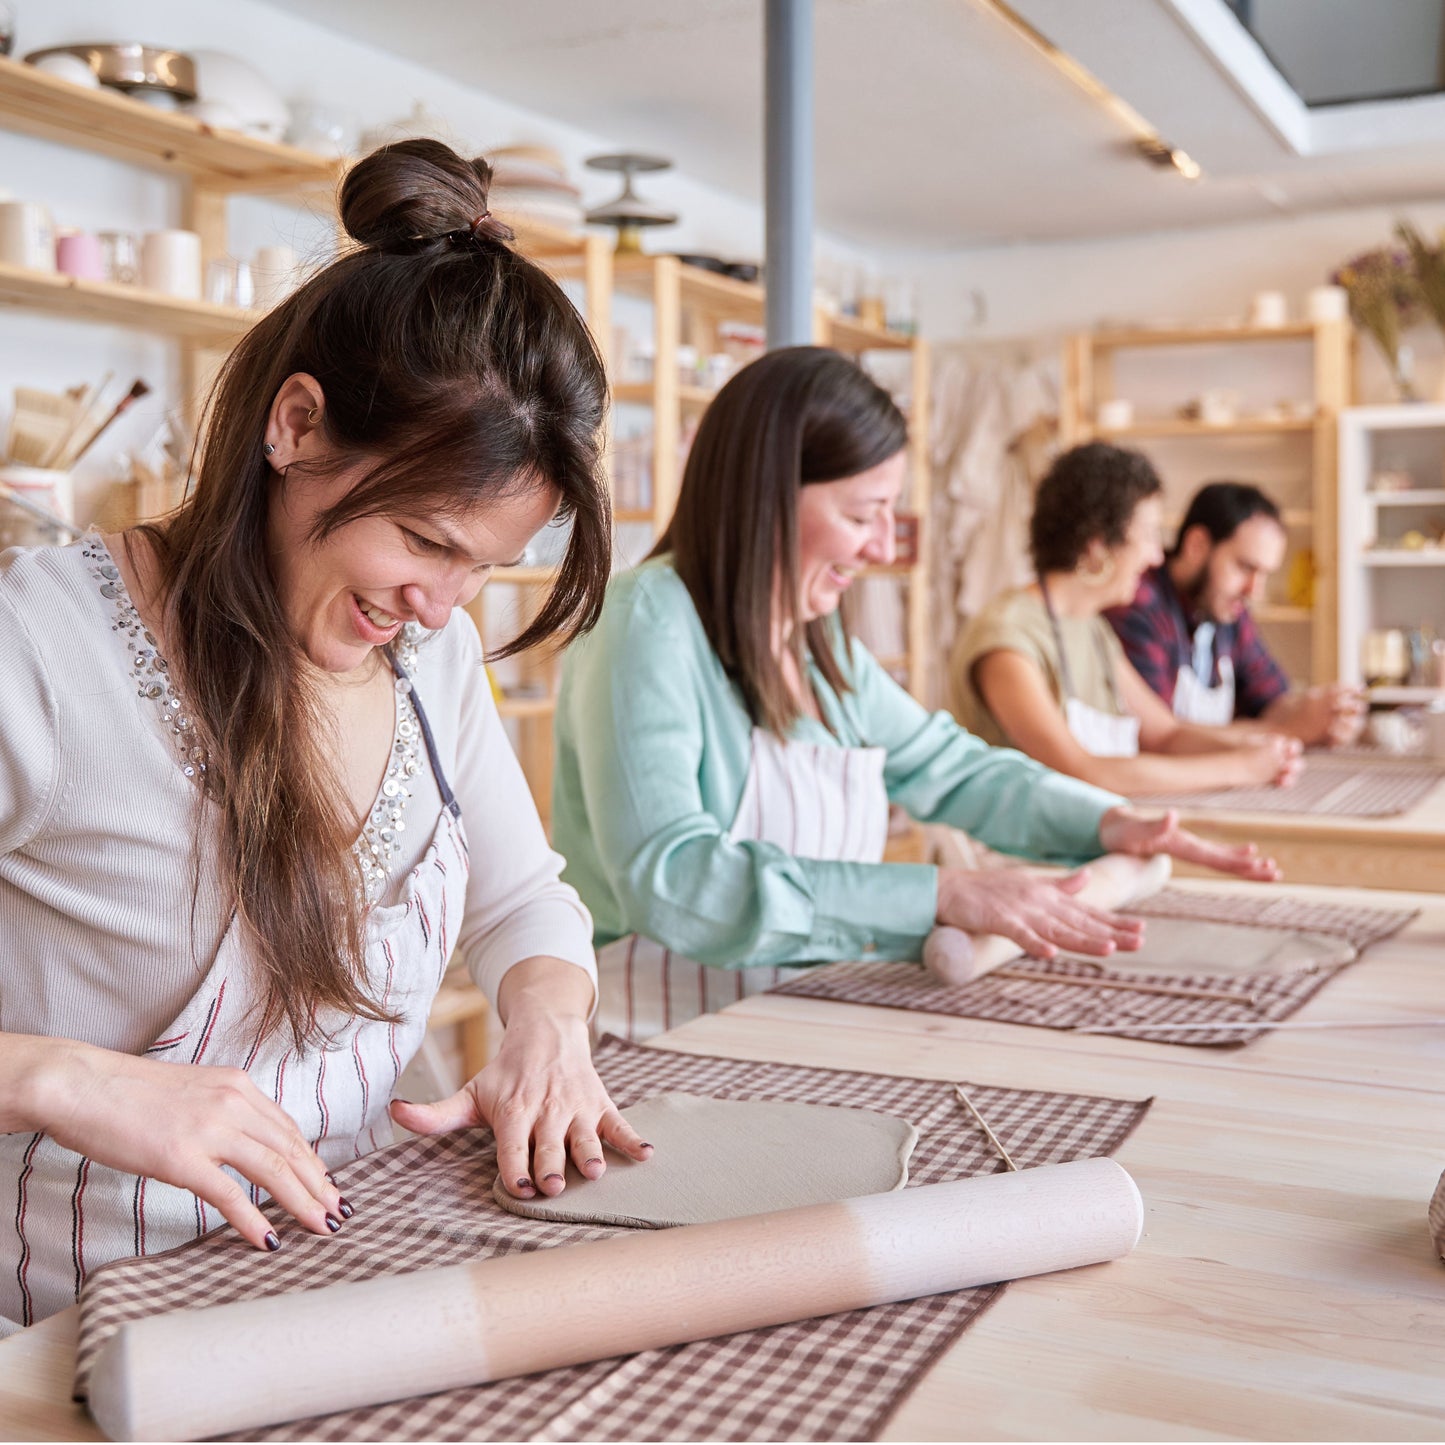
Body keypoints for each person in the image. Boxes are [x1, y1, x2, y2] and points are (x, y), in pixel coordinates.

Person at [0, 141, 652, 1332]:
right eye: (422, 539)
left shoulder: (430, 654)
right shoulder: (39, 651)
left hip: (333, 1298)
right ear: (296, 424)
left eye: (487, 568)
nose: (443, 605)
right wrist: (58, 1074)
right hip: (59, 1339)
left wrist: (546, 1026)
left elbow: (522, 904)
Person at [551, 351, 1277, 1042]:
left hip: (793, 1026)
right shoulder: (644, 622)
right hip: (657, 1044)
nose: (881, 548)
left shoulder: (816, 641)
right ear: (765, 497)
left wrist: (1111, 824)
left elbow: (953, 768)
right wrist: (937, 894)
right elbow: (673, 878)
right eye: (863, 516)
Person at [947, 443, 1303, 797]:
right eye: (1148, 534)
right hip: (1010, 852)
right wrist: (1240, 768)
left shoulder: (1092, 631)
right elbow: (1081, 771)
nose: (1155, 557)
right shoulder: (1007, 639)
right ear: (1096, 546)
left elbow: (1166, 735)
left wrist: (1262, 750)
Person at [1106, 481, 1365, 746]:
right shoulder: (1137, 603)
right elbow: (1160, 736)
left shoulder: (1228, 611)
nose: (1255, 591)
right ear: (1197, 545)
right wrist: (1289, 731)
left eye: (1264, 574)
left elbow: (1271, 700)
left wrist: (1316, 711)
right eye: (1245, 567)